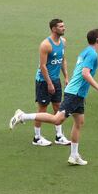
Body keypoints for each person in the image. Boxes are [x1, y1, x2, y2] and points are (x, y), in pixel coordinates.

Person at [10, 29, 98, 166]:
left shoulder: (86, 51)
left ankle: (74, 155)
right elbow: (85, 73)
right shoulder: (92, 54)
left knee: (79, 122)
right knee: (57, 119)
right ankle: (22, 116)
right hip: (74, 93)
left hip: (78, 94)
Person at [31, 19, 70, 147]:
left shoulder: (63, 42)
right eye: (61, 26)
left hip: (55, 80)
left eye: (63, 26)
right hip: (43, 81)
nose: (64, 28)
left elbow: (62, 60)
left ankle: (59, 136)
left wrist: (66, 77)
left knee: (58, 108)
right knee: (42, 109)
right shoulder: (45, 45)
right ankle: (36, 137)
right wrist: (49, 83)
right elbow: (43, 66)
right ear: (53, 29)